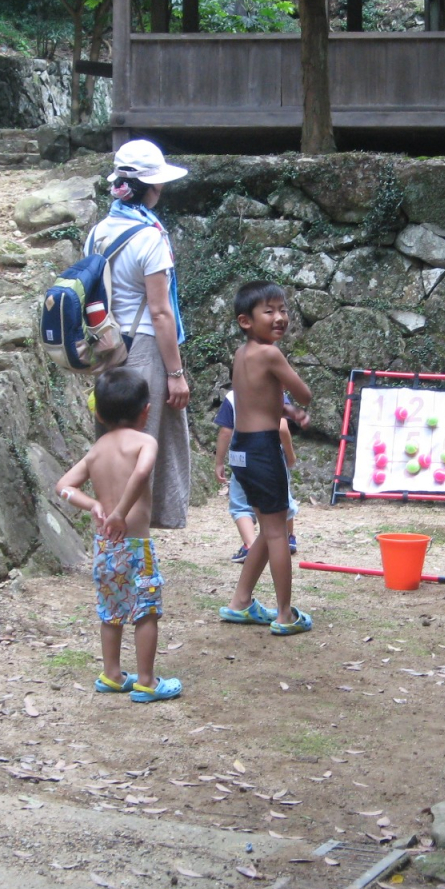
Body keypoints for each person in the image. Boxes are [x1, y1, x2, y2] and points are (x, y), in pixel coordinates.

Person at [55, 368, 182, 703]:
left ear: (98, 412)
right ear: (146, 410)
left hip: (105, 547)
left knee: (110, 611)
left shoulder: (97, 449)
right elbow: (142, 472)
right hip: (137, 546)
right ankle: (146, 681)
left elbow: (63, 487)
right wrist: (120, 512)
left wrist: (93, 505)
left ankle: (111, 674)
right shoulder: (145, 441)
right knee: (146, 611)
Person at [82, 139, 191, 530]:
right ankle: (136, 540)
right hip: (144, 350)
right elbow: (161, 312)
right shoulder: (150, 238)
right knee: (143, 449)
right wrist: (176, 373)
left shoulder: (97, 233)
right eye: (157, 184)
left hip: (107, 349)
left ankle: (108, 532)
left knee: (111, 445)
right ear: (148, 188)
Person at [218, 280, 313, 635]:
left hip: (240, 449)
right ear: (246, 320)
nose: (280, 317)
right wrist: (296, 403)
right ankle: (285, 614)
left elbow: (257, 399)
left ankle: (240, 602)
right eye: (269, 311)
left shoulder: (242, 355)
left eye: (283, 309)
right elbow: (305, 393)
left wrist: (285, 409)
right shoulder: (271, 354)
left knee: (266, 527)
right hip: (262, 449)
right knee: (277, 534)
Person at [213, 390, 301, 563]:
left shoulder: (233, 396)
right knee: (282, 497)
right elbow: (282, 428)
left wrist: (219, 462)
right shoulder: (276, 394)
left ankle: (250, 544)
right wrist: (290, 455)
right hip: (269, 455)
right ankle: (288, 537)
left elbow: (225, 431)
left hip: (241, 457)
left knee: (240, 504)